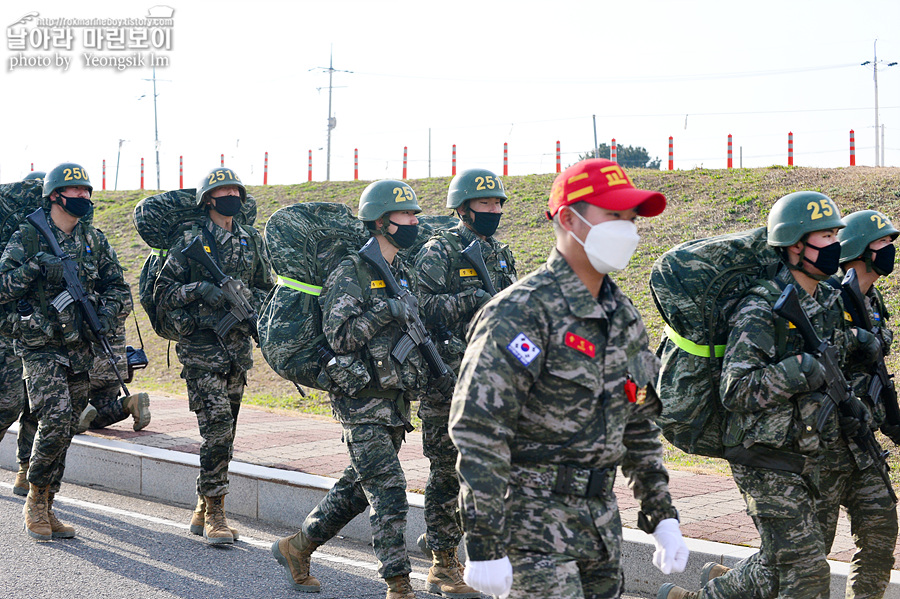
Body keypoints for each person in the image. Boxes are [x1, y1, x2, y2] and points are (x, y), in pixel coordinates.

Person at [449, 158, 688, 599]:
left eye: (631, 218)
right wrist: (483, 541)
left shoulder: (623, 317)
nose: (627, 229)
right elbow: (480, 429)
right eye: (613, 216)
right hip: (529, 529)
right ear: (568, 218)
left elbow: (637, 423)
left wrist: (662, 516)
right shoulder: (521, 311)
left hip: (600, 526)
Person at [659, 192, 881, 599]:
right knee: (806, 572)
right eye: (824, 237)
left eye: (835, 235)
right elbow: (737, 389)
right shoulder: (761, 307)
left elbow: (831, 352)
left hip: (806, 450)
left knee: (787, 568)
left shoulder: (829, 297)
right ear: (795, 245)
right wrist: (798, 371)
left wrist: (859, 344)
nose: (834, 245)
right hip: (762, 454)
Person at [271, 180, 455, 599]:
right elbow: (339, 335)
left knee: (358, 488)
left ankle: (297, 547)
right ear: (381, 221)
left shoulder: (402, 272)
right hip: (358, 398)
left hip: (393, 400)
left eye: (414, 215)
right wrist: (384, 311)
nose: (413, 222)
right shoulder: (351, 270)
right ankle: (398, 584)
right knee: (389, 488)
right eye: (406, 215)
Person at [0, 162, 131, 540]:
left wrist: (105, 315)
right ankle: (35, 502)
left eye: (87, 191)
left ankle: (49, 501)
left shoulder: (95, 240)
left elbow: (119, 289)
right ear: (55, 196)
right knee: (54, 420)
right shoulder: (27, 236)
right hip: (40, 345)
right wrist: (37, 268)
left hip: (80, 347)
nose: (84, 198)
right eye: (76, 192)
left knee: (68, 427)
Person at [154, 167, 274, 545]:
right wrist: (202, 289)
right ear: (208, 199)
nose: (231, 197)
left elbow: (264, 289)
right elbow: (164, 293)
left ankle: (201, 506)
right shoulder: (191, 241)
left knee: (227, 433)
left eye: (235, 191)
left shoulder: (250, 240)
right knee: (218, 428)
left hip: (237, 351)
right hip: (201, 348)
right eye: (223, 192)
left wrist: (247, 305)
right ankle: (217, 514)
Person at [413, 168, 517, 598]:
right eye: (484, 204)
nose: (492, 210)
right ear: (462, 209)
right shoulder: (439, 250)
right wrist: (470, 299)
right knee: (445, 473)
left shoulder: (501, 253)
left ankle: (461, 548)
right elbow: (419, 306)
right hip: (446, 380)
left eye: (497, 204)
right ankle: (441, 563)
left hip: (491, 379)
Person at [0, 170, 44, 497]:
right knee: (9, 402)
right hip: (7, 328)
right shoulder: (14, 232)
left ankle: (25, 470)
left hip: (44, 331)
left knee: (36, 406)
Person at [74, 306, 150, 433]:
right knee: (97, 417)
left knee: (53, 389)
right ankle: (130, 403)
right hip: (116, 368)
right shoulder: (120, 290)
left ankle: (78, 408)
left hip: (91, 366)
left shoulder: (86, 288)